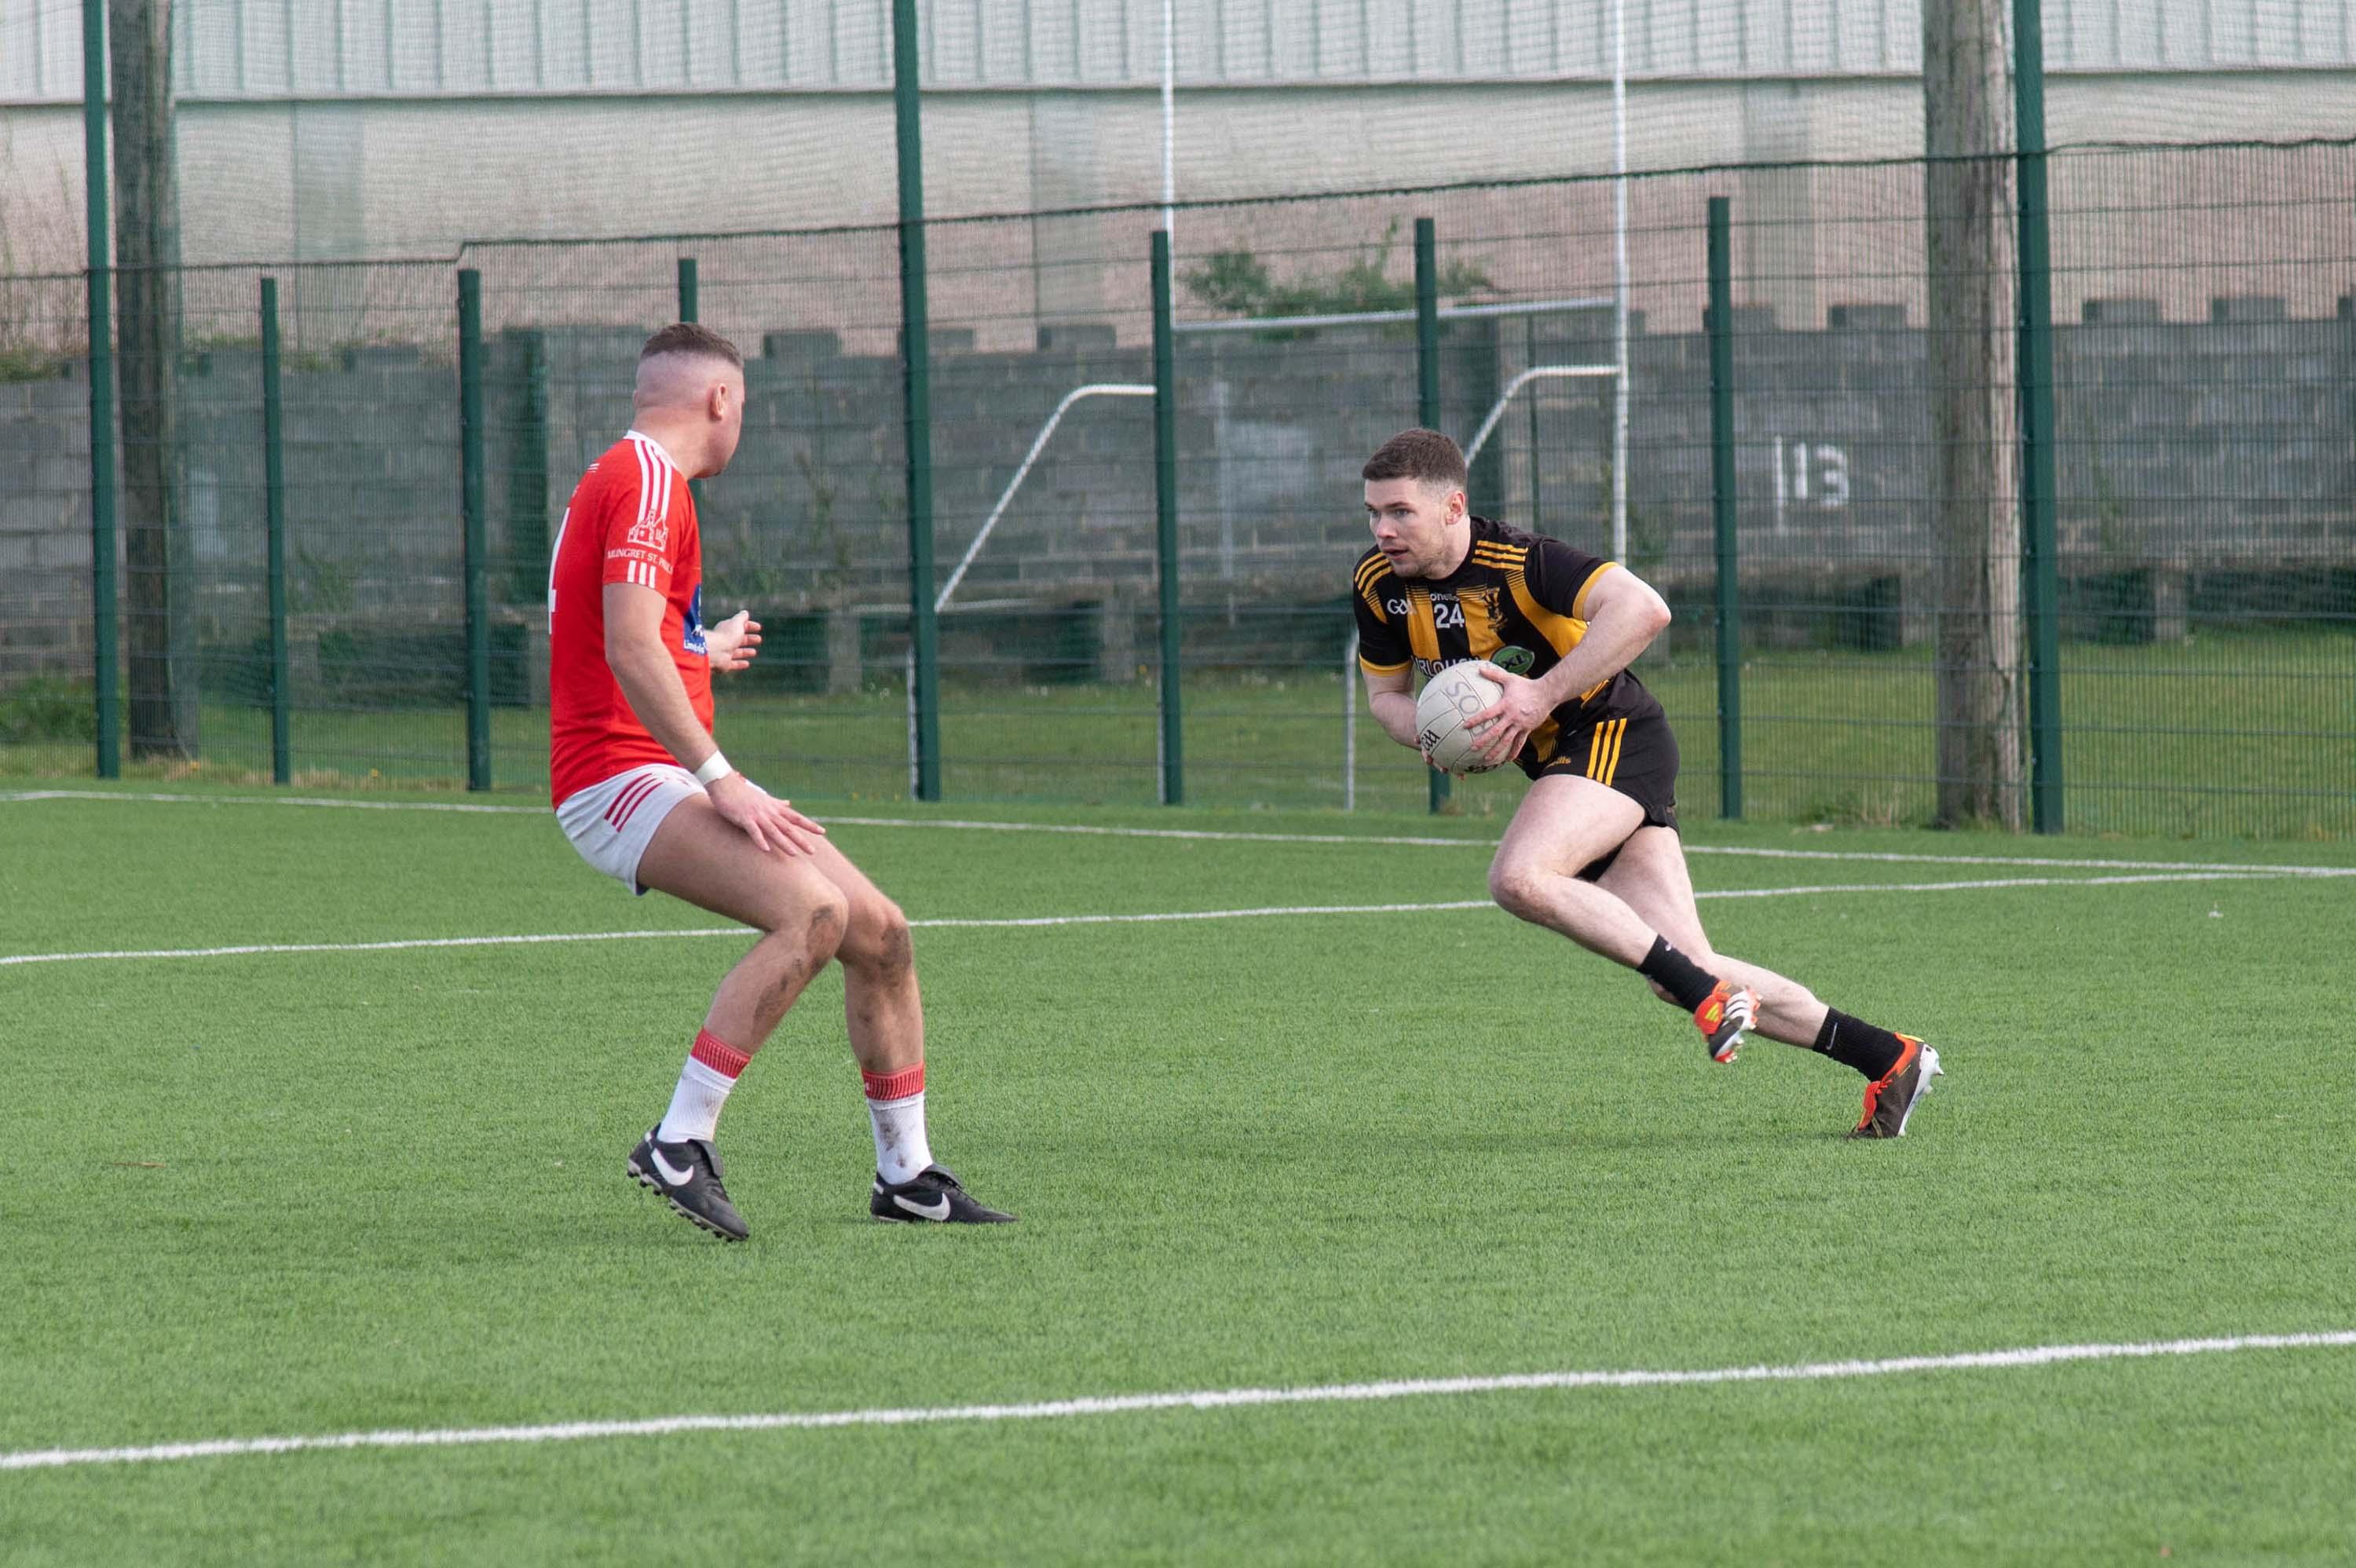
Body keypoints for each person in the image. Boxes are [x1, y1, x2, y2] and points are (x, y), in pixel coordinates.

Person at [547, 322, 1013, 1238]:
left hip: (648, 764)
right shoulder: (646, 482)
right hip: (617, 775)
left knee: (880, 932)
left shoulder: (632, 479)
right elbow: (627, 644)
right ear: (720, 400)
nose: (740, 424)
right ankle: (679, 1139)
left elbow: (632, 631)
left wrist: (702, 650)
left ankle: (906, 1173)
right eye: (743, 407)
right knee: (813, 913)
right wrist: (720, 777)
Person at [1350, 429, 1940, 1138]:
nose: (1384, 530)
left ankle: (1708, 999)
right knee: (1681, 964)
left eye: (1400, 512)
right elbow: (1385, 698)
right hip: (1563, 765)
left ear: (1453, 506)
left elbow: (1644, 609)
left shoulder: (1521, 561)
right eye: (1374, 513)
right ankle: (1890, 1057)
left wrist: (1540, 696)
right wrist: (1431, 730)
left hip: (1613, 736)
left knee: (1519, 877)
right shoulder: (1379, 585)